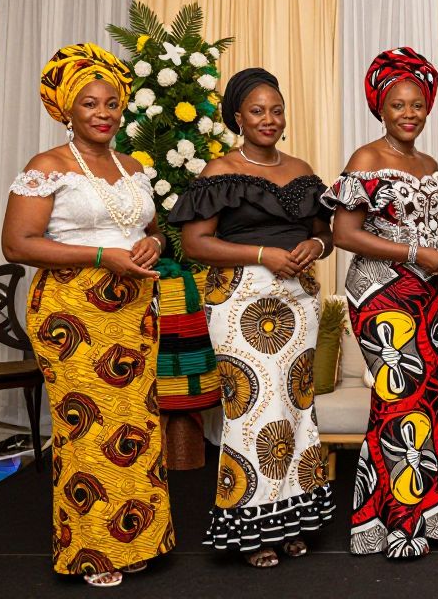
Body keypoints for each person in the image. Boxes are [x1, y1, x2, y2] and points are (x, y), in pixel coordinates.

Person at [1, 43, 174, 587]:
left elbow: (145, 229)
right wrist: (101, 256)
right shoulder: (47, 166)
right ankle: (93, 551)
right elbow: (17, 243)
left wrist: (155, 243)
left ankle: (137, 535)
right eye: (90, 104)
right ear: (67, 110)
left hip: (134, 310)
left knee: (136, 425)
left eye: (113, 103)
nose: (104, 113)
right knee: (87, 429)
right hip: (72, 313)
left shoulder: (134, 166)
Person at [168, 67, 335, 568]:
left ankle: (291, 519)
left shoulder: (302, 169)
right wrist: (263, 253)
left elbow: (327, 234)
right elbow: (194, 243)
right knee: (252, 413)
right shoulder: (219, 171)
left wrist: (314, 243)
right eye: (257, 111)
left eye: (276, 110)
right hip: (241, 301)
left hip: (298, 302)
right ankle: (250, 529)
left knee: (296, 411)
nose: (269, 119)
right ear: (237, 117)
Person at [324, 47, 438, 559]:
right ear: (380, 109)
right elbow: (344, 233)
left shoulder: (429, 162)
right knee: (397, 401)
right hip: (381, 293)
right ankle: (394, 523)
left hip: (431, 296)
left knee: (428, 402)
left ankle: (432, 512)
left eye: (417, 104)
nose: (409, 113)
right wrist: (413, 252)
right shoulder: (366, 159)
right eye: (398, 104)